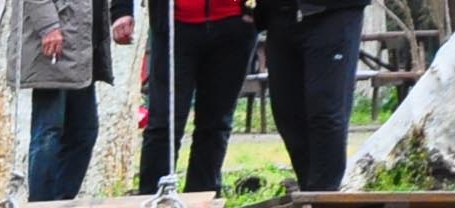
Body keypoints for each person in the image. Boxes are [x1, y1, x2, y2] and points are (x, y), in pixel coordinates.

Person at [20, 0, 136, 206]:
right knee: (48, 131)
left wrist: (120, 13)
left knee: (84, 132)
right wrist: (48, 27)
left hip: (82, 43)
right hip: (55, 42)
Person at [137, 0, 257, 197]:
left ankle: (202, 198)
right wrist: (121, 10)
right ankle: (154, 200)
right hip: (175, 24)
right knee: (164, 121)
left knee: (216, 121)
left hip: (233, 23)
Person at [255, 0, 361, 192]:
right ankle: (308, 189)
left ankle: (324, 196)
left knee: (325, 110)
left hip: (334, 14)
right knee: (286, 111)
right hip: (280, 15)